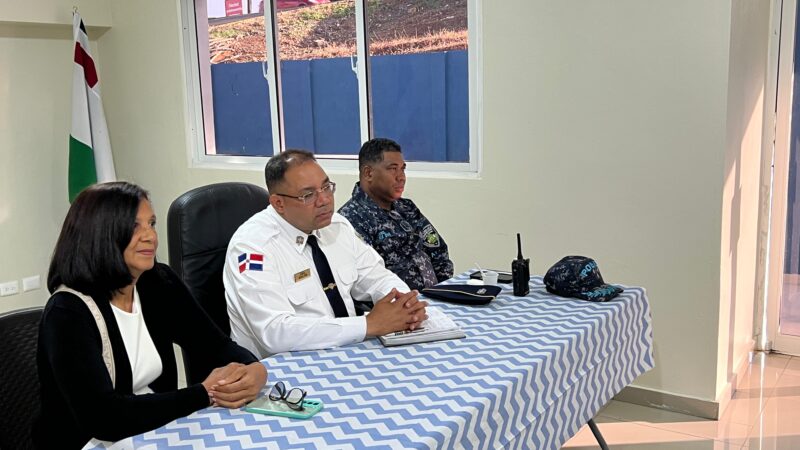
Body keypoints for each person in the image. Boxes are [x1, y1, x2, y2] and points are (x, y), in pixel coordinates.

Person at [35, 182, 268, 450]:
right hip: (92, 441)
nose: (150, 237)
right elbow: (103, 417)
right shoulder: (69, 311)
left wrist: (255, 369)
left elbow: (215, 345)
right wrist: (204, 393)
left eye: (152, 224)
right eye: (135, 226)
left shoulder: (157, 282)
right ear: (101, 235)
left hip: (155, 429)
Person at [224, 150, 427, 358]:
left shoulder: (336, 226)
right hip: (280, 371)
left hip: (346, 351)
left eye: (326, 187)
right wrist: (367, 324)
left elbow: (377, 276)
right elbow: (275, 332)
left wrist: (405, 305)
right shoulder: (253, 247)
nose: (325, 200)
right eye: (308, 195)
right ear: (278, 204)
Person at [339, 138, 454, 291]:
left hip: (434, 299)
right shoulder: (350, 219)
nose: (401, 177)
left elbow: (438, 250)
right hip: (396, 308)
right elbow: (368, 281)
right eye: (393, 169)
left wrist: (443, 291)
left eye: (402, 169)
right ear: (368, 173)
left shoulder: (407, 208)